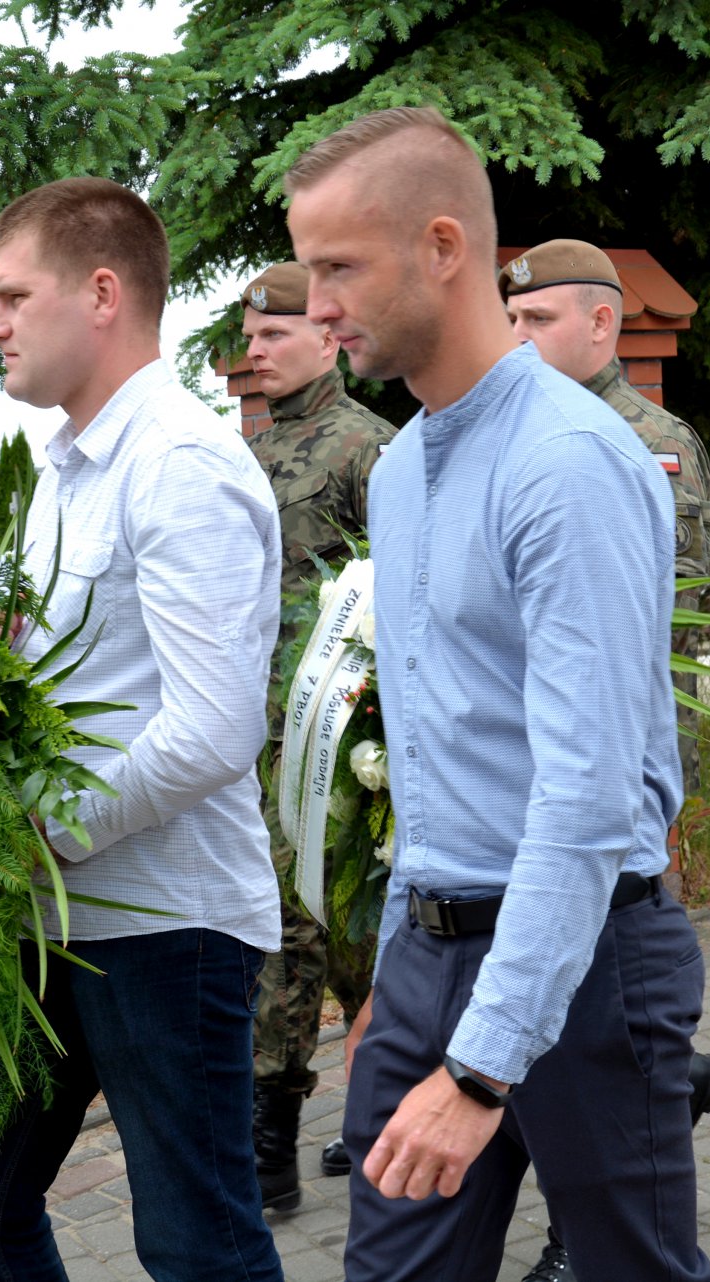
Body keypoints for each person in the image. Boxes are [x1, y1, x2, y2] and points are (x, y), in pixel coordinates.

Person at [287, 106, 710, 1282]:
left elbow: (586, 793)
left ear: (441, 247)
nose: (316, 306)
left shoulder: (566, 464)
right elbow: (437, 751)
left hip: (588, 964)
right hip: (432, 955)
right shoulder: (402, 469)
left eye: (338, 268)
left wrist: (480, 1067)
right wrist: (399, 977)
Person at [0, 177, 284, 1282]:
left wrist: (45, 834)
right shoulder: (70, 467)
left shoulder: (178, 463)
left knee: (197, 1243)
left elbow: (215, 728)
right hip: (53, 918)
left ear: (103, 294)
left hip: (167, 922)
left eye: (12, 296)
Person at [498, 238, 710, 1282]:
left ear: (603, 324)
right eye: (511, 320)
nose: (518, 339)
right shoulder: (504, 431)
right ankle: (661, 1098)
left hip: (620, 757)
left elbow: (669, 605)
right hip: (526, 764)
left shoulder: (650, 441)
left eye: (539, 320)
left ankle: (585, 1223)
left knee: (605, 982)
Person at [240, 260, 395, 1208]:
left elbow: (402, 594)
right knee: (283, 932)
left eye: (274, 335)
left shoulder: (370, 449)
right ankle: (272, 1143)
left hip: (345, 746)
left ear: (328, 338)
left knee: (356, 938)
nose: (255, 351)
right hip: (259, 737)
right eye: (250, 337)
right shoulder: (245, 453)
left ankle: (381, 1106)